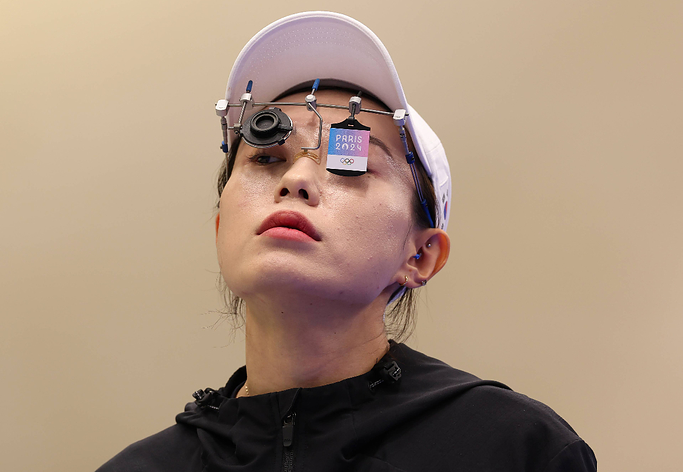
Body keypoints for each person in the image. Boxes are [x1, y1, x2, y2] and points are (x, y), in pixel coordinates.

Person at [97, 11, 596, 472]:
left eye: (348, 161)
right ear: (221, 227)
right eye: (266, 157)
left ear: (420, 254)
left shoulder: (514, 448)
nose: (296, 179)